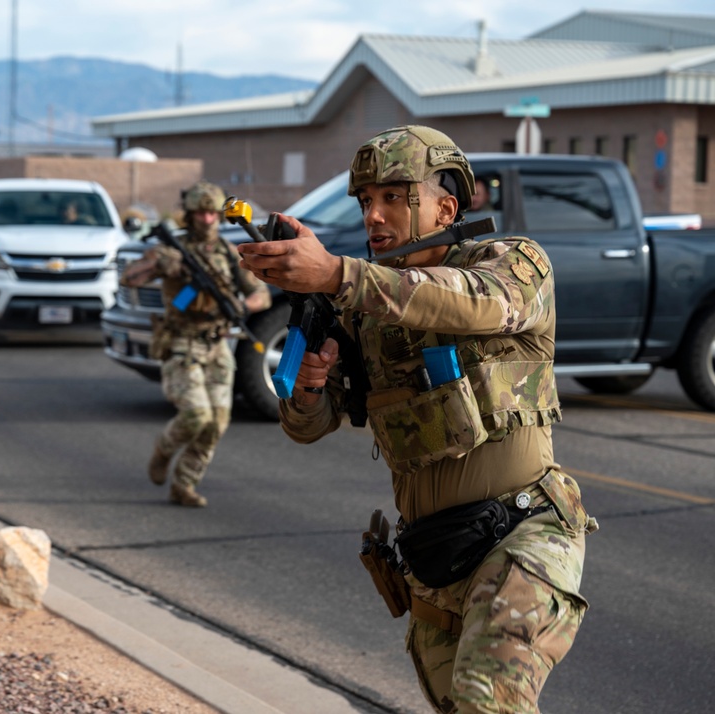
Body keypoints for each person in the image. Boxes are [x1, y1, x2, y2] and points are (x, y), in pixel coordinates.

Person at [236, 125, 597, 712]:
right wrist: (307, 389)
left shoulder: (514, 264)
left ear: (445, 207)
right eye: (366, 201)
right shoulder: (362, 312)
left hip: (524, 534)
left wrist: (337, 275)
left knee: (488, 703)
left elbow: (475, 301)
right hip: (434, 559)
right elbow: (307, 426)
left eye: (394, 198)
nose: (375, 216)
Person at [121, 181, 271, 507]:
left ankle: (184, 483)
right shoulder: (174, 250)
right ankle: (163, 449)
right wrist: (163, 265)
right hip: (182, 342)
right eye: (200, 214)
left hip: (218, 346)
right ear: (190, 216)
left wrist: (245, 306)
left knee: (216, 422)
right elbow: (129, 277)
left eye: (212, 214)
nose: (206, 220)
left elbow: (260, 293)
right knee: (196, 415)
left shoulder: (229, 255)